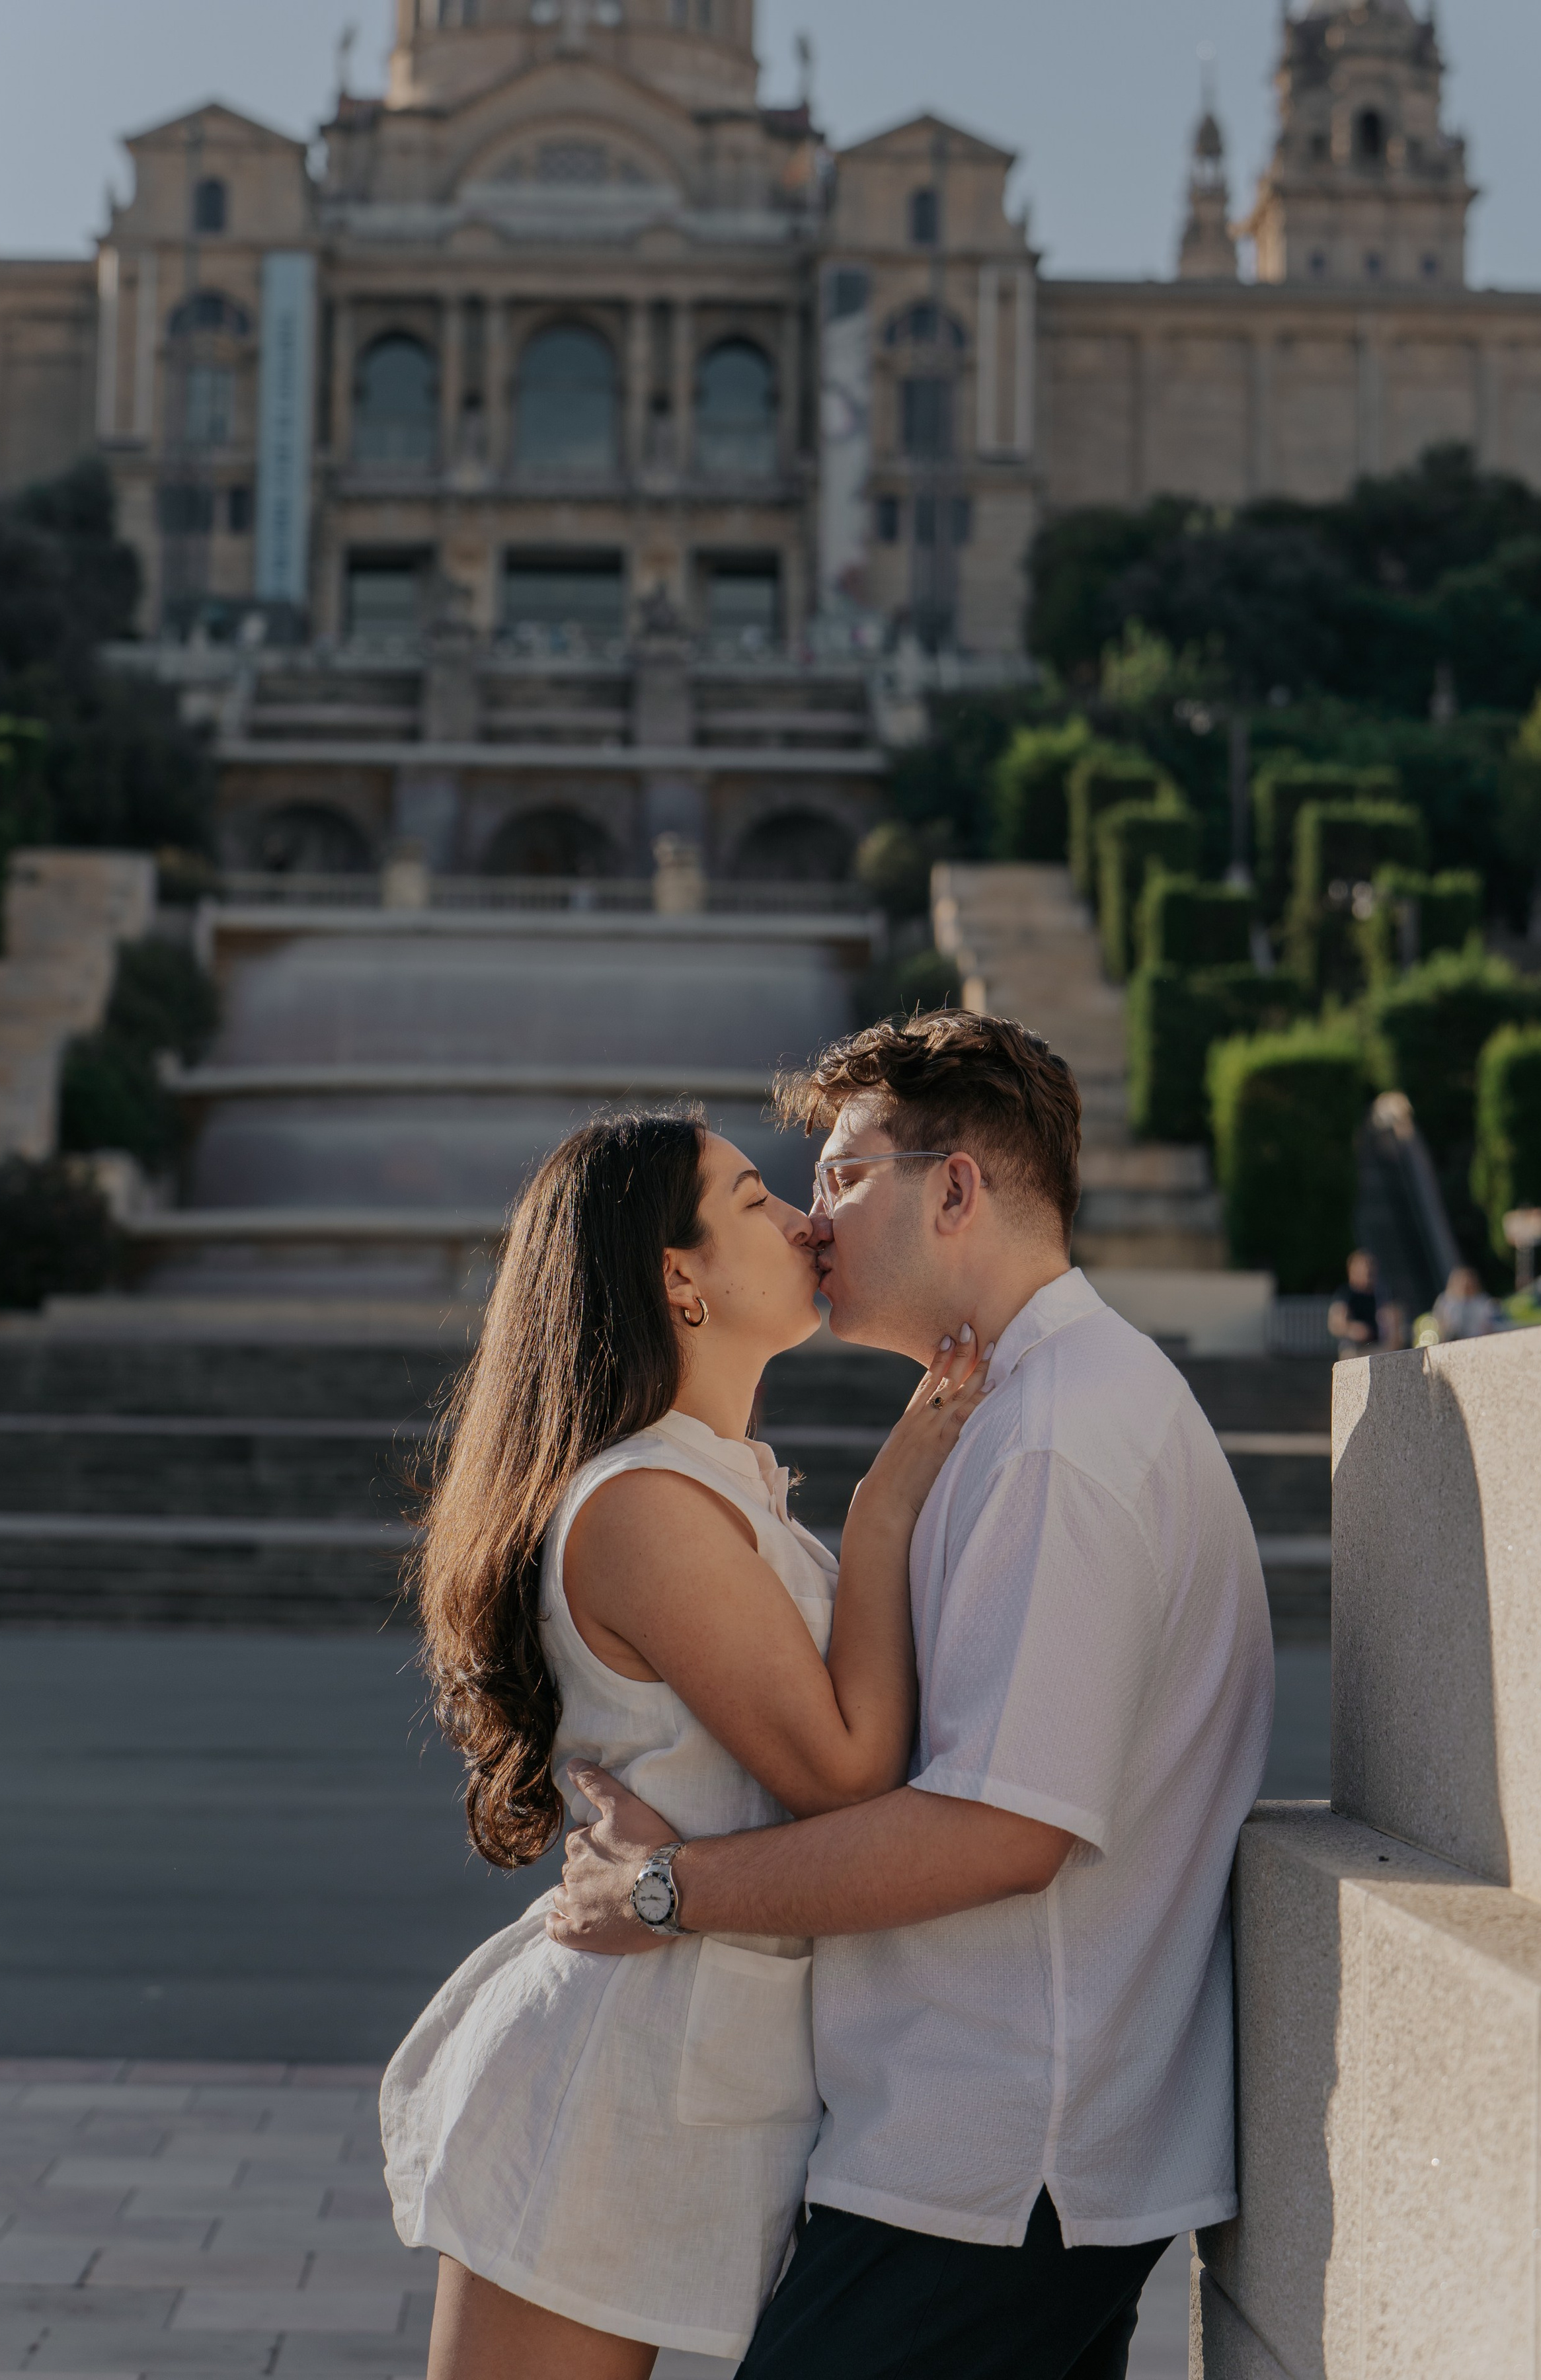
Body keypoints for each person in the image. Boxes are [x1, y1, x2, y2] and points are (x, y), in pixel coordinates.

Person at [549, 1011, 1276, 2380]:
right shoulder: (1017, 1411)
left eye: (840, 1175)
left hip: (998, 2168)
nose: (812, 1218)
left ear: (954, 1190)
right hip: (978, 2158)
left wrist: (664, 1890)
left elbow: (1003, 1831)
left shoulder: (1059, 1439)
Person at [379, 1106, 989, 2380]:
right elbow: (844, 1771)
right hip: (609, 2087)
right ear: (678, 1278)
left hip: (707, 2066)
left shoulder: (714, 1481)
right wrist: (886, 1509)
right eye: (758, 1200)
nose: (807, 1223)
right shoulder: (645, 1501)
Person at [1431, 1264, 1499, 1342]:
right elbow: (1440, 1323)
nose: (1465, 1284)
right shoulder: (1445, 1302)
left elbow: (1493, 1321)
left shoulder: (1483, 1300)